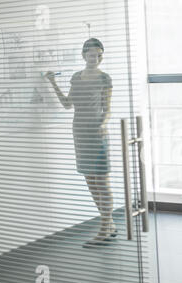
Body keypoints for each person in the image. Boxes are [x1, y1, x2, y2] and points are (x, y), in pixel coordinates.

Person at [45, 38, 116, 247]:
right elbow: (68, 104)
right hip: (80, 133)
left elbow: (108, 109)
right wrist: (52, 82)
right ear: (84, 55)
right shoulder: (76, 78)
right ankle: (109, 223)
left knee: (102, 181)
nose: (96, 58)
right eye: (92, 54)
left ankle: (104, 227)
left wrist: (103, 124)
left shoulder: (105, 78)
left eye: (100, 54)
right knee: (90, 181)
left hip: (97, 133)